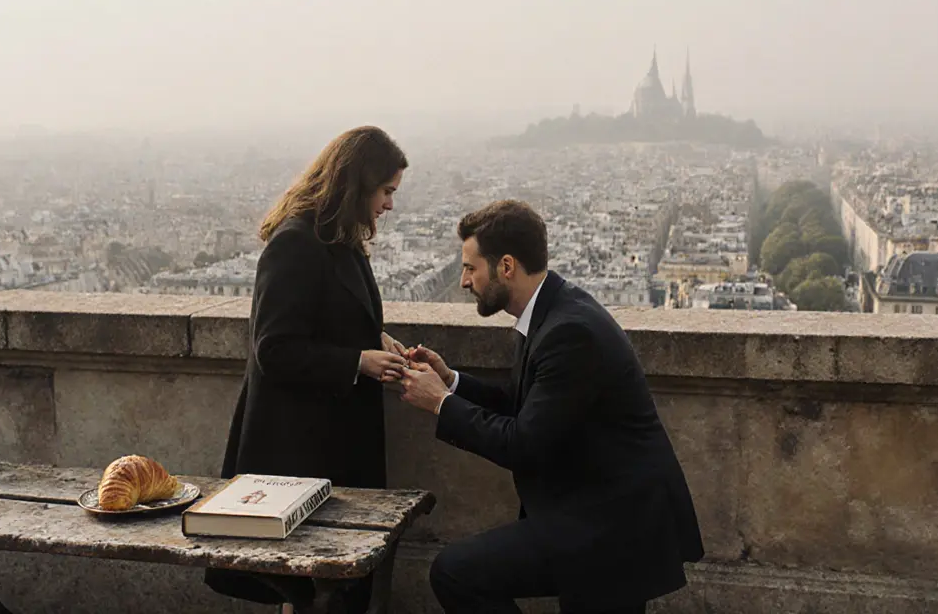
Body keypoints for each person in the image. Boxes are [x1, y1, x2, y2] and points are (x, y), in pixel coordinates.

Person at [398, 199, 704, 614]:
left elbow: (524, 443)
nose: (464, 281)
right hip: (597, 515)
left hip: (611, 529)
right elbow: (524, 404)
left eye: (471, 268)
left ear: (506, 266)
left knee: (457, 571)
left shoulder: (569, 332)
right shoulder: (551, 313)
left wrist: (440, 403)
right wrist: (451, 379)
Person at [204, 125, 412, 613]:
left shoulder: (335, 237)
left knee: (324, 589)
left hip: (328, 438)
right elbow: (273, 348)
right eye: (386, 191)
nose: (388, 205)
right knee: (310, 588)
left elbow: (327, 317)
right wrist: (358, 360)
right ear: (358, 184)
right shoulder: (296, 242)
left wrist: (372, 340)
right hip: (302, 446)